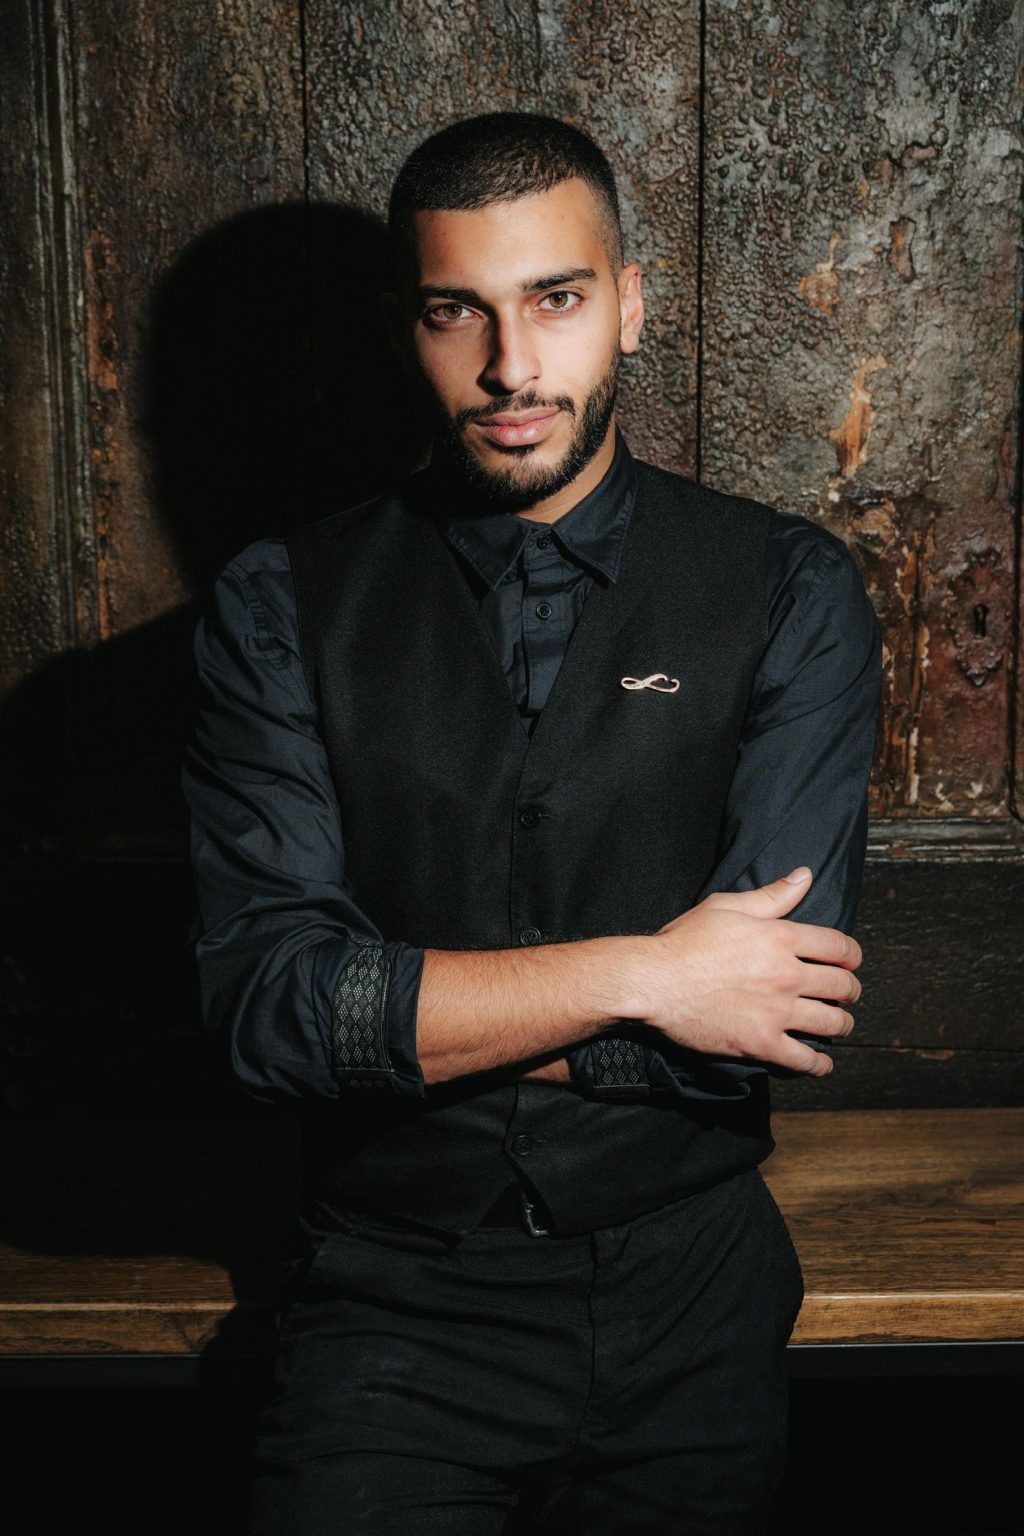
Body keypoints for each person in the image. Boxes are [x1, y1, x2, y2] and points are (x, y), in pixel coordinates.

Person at [182, 111, 882, 1535]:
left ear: (631, 302)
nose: (510, 368)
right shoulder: (276, 605)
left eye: (555, 300)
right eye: (459, 312)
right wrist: (651, 977)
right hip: (389, 1303)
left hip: (693, 1292)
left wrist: (410, 1023)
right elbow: (268, 1016)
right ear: (406, 326)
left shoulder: (788, 589)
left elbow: (766, 1016)